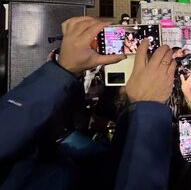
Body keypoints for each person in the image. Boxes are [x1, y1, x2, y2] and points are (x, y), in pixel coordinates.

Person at [0, 17, 176, 189]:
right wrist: (147, 112)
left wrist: (62, 70)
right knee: (99, 153)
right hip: (62, 136)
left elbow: (6, 128)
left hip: (60, 150)